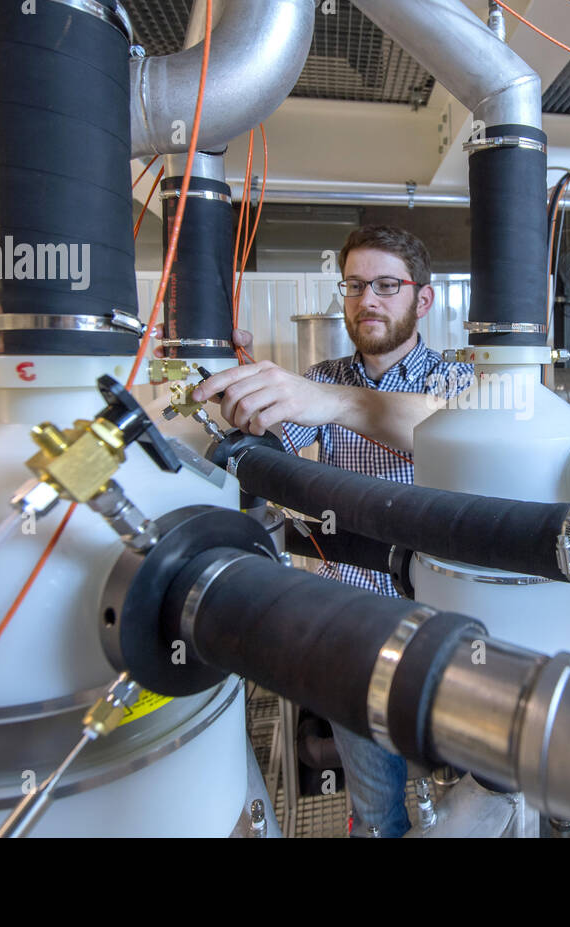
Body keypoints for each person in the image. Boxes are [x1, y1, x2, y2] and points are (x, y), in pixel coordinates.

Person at [195, 224, 473, 837]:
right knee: (378, 810)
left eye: (385, 285)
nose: (367, 300)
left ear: (421, 300)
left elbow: (439, 431)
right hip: (354, 626)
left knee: (461, 807)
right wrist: (239, 390)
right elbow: (274, 452)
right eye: (354, 285)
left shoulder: (453, 380)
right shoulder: (324, 373)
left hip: (442, 625)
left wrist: (331, 402)